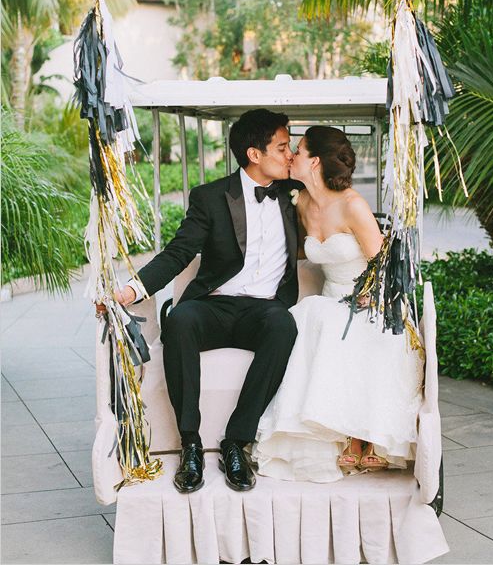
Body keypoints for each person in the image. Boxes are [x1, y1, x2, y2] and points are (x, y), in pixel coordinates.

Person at [98, 108, 301, 494]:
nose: (289, 155)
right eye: (282, 147)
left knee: (284, 325)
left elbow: (336, 210)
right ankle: (189, 442)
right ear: (254, 154)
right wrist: (130, 289)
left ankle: (236, 442)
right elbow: (178, 253)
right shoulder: (210, 197)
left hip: (264, 310)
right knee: (181, 320)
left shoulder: (294, 194)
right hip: (215, 305)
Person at [252, 125, 424, 483]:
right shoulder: (302, 204)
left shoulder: (352, 206)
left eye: (297, 151)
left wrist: (368, 295)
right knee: (319, 318)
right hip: (332, 298)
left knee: (342, 327)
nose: (291, 157)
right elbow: (299, 250)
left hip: (371, 299)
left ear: (314, 161)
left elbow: (385, 265)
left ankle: (364, 438)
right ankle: (340, 435)